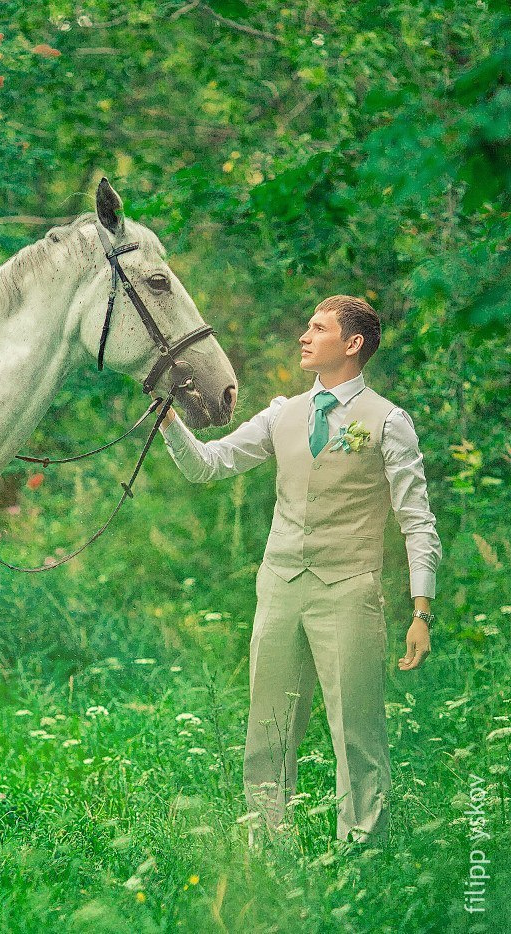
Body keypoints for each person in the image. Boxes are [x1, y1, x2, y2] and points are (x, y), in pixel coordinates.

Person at [158, 295, 441, 844]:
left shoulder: (388, 421)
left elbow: (417, 521)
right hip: (281, 587)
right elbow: (209, 465)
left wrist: (420, 611)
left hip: (349, 590)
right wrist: (170, 423)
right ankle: (267, 848)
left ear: (352, 344)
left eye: (318, 328)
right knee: (268, 730)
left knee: (356, 732)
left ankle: (363, 852)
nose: (304, 337)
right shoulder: (282, 414)